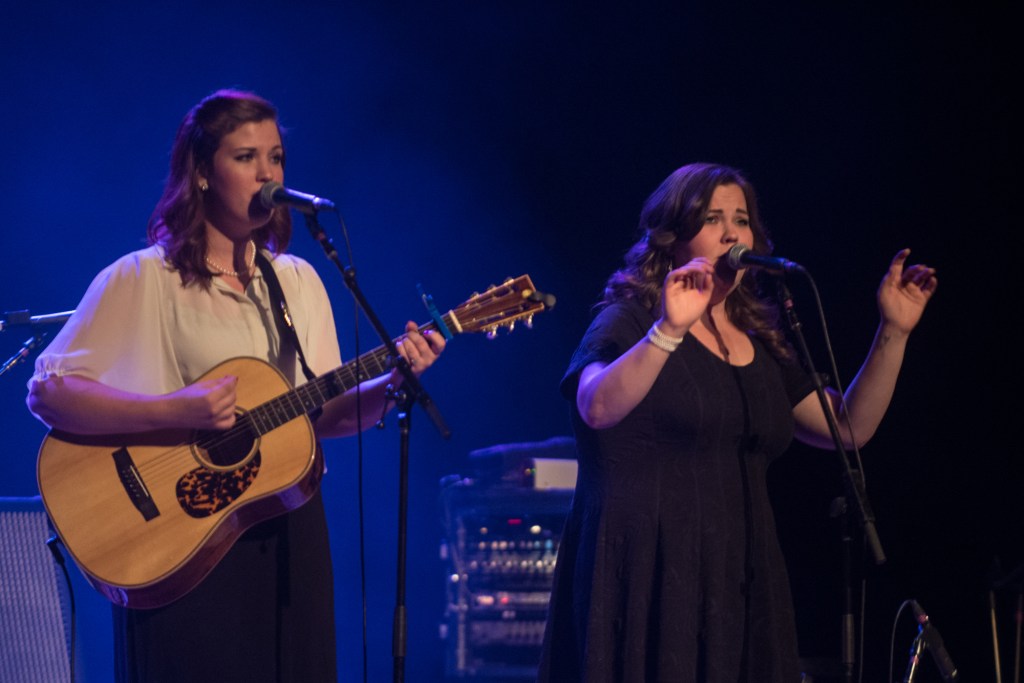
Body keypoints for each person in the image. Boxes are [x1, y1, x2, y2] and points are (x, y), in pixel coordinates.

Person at [26, 89, 445, 682]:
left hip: (288, 527)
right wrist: (175, 409)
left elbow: (322, 414)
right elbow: (48, 394)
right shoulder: (146, 277)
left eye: (275, 158)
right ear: (200, 173)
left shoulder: (298, 281)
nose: (268, 174)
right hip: (178, 535)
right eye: (246, 158)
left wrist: (391, 381)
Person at [536, 162, 937, 682]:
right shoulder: (632, 318)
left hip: (739, 572)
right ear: (673, 238)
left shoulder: (758, 339)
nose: (732, 233)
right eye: (712, 219)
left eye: (742, 220)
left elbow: (848, 428)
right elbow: (597, 407)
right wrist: (668, 329)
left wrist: (894, 332)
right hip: (646, 573)